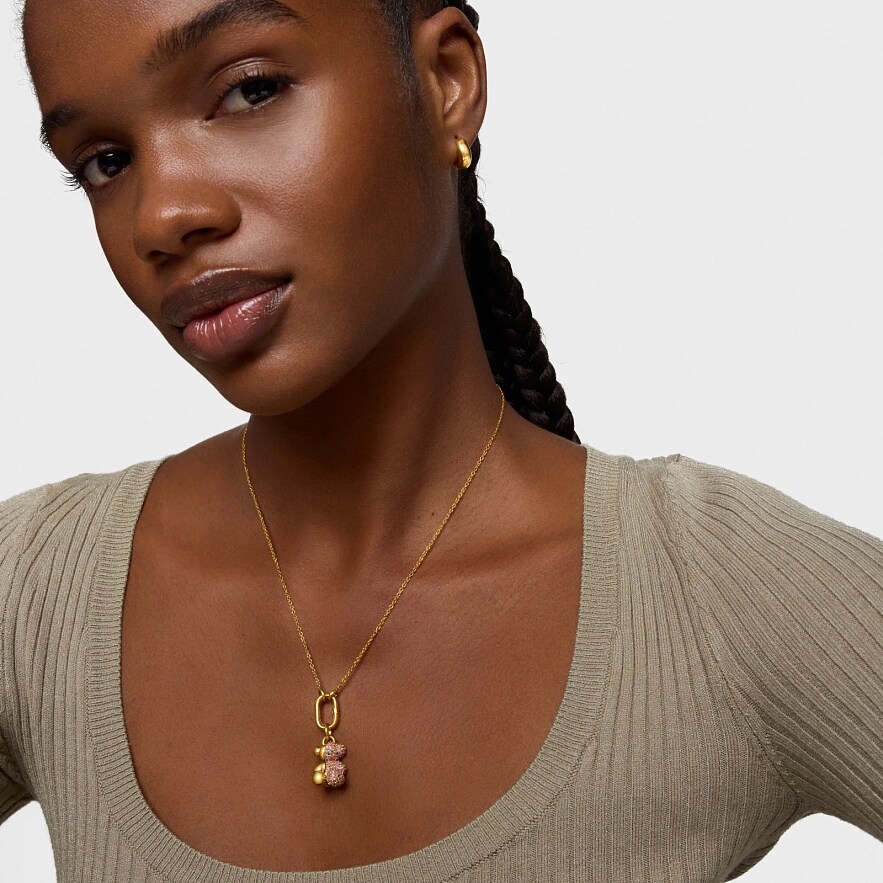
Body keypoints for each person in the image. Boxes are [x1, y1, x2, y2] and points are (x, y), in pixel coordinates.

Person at [2, 0, 881, 880]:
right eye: (106, 161)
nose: (160, 216)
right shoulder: (37, 595)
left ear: (446, 81)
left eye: (249, 91)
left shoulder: (710, 595)